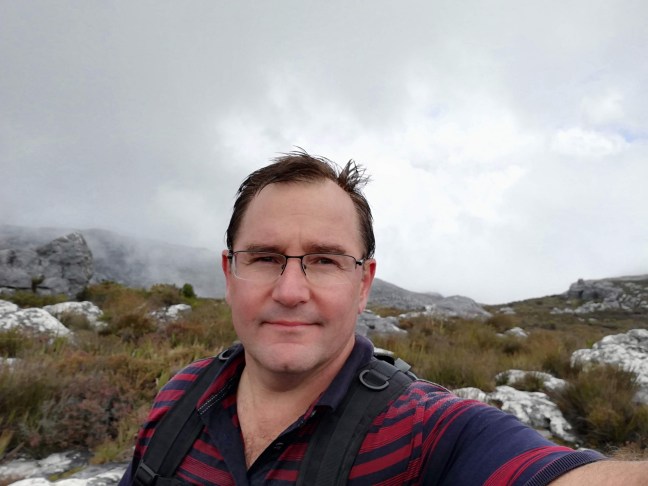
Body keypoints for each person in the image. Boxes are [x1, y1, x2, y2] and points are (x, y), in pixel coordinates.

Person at [120, 151, 648, 485]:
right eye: (264, 258)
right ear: (229, 272)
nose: (290, 291)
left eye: (324, 261)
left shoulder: (425, 433)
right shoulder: (180, 397)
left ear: (364, 284)